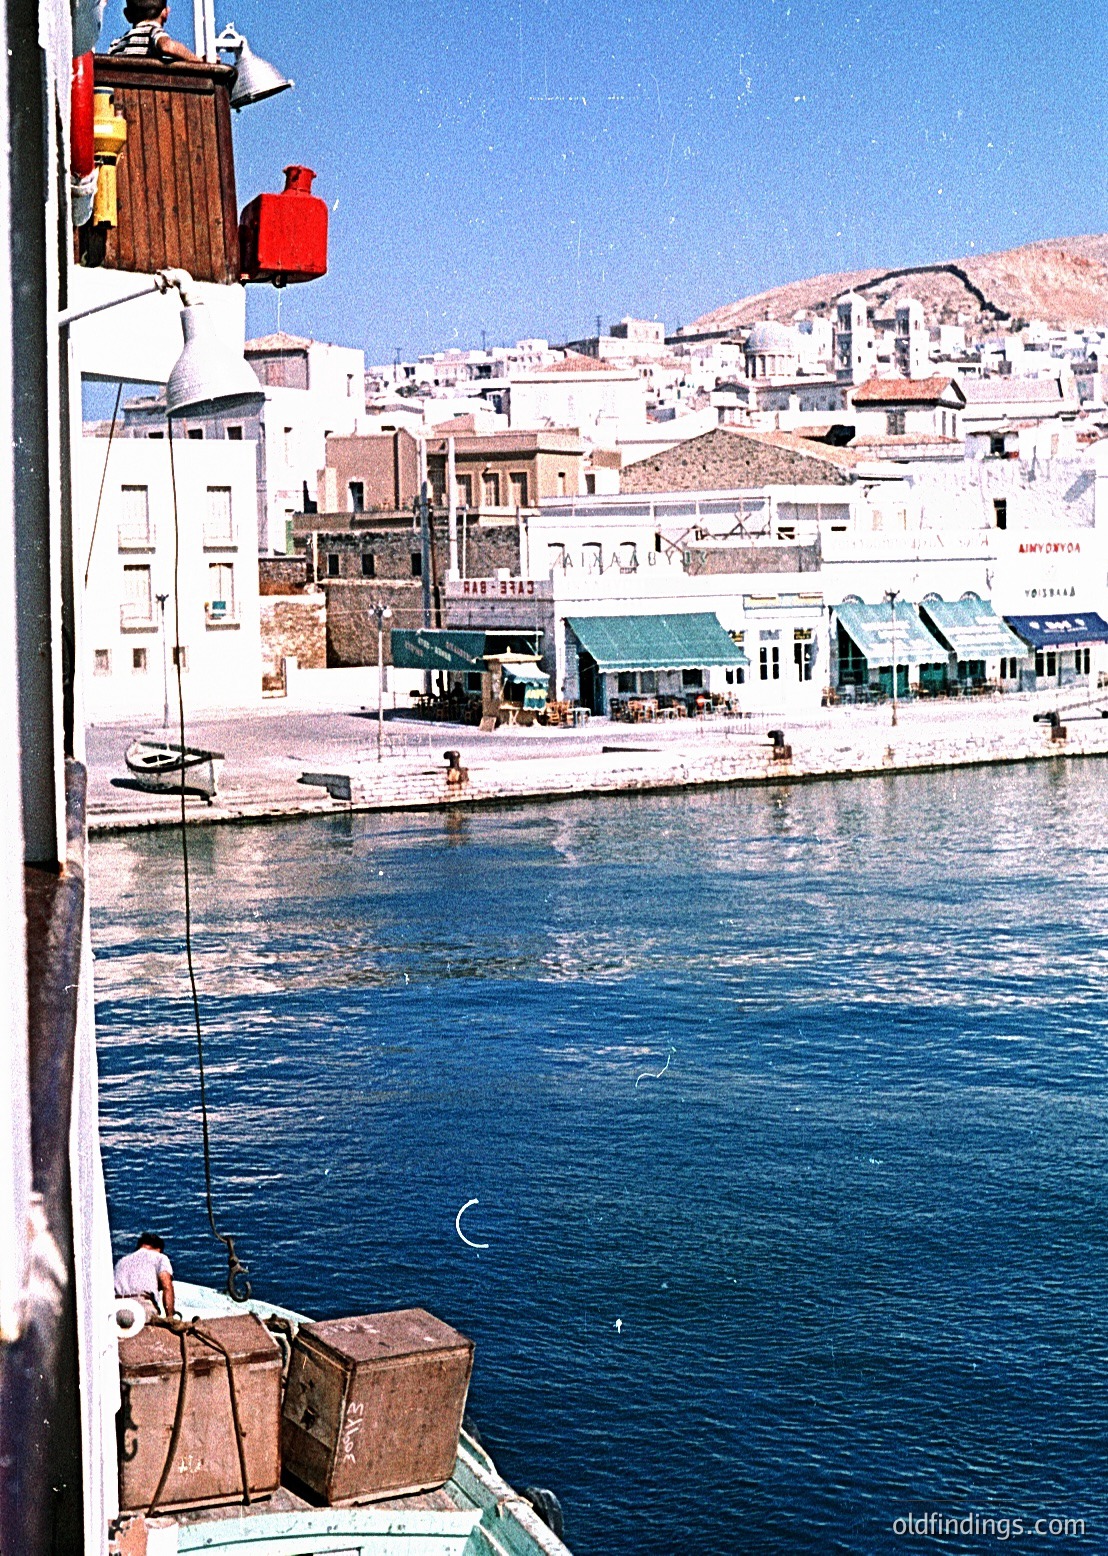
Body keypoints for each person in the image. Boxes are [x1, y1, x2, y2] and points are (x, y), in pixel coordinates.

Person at [109, 0, 201, 61]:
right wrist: (197, 60)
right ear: (165, 13)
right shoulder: (153, 32)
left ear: (127, 15)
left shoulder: (116, 44)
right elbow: (167, 46)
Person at [114, 1231, 176, 1318]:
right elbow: (167, 1286)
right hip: (142, 1307)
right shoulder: (160, 1257)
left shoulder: (121, 1261)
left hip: (116, 1307)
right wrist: (170, 1317)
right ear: (158, 1249)